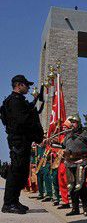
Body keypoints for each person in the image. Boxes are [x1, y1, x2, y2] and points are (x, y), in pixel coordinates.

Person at [1, 75, 44, 214]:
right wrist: (35, 134)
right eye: (26, 85)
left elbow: (27, 113)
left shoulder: (18, 101)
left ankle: (14, 200)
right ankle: (8, 203)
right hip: (18, 140)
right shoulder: (14, 101)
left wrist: (37, 100)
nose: (28, 87)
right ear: (18, 85)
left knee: (21, 172)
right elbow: (22, 122)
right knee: (16, 172)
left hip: (22, 140)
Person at [62, 115, 87, 216]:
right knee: (71, 187)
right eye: (71, 122)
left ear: (78, 123)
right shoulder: (68, 135)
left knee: (80, 186)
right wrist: (51, 142)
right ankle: (75, 209)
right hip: (70, 163)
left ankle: (85, 208)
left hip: (82, 162)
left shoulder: (84, 134)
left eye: (74, 122)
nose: (72, 124)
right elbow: (62, 146)